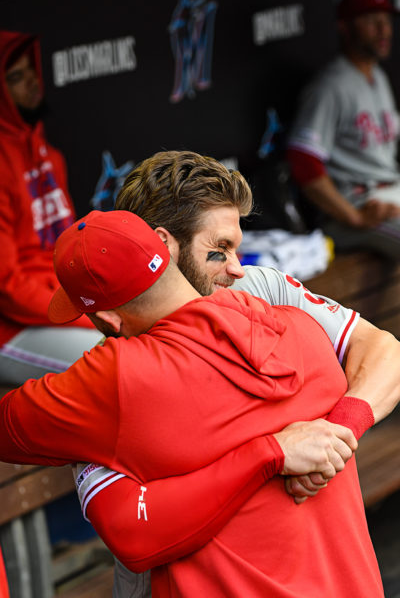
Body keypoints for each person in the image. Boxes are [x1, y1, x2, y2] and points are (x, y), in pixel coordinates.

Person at [0, 210, 392, 596]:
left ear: (106, 318)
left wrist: (270, 452)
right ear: (166, 253)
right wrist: (295, 445)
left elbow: (7, 430)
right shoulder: (300, 326)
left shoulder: (112, 379)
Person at [107, 149, 400, 596]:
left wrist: (336, 433)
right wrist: (274, 453)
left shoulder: (258, 286)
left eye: (235, 247)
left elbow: (384, 350)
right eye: (218, 250)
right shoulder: (115, 359)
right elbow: (132, 526)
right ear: (163, 248)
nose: (236, 267)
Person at [0, 30, 101, 385]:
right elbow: (7, 288)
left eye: (31, 71)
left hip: (61, 303)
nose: (31, 82)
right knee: (117, 364)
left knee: (158, 336)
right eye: (15, 77)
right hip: (11, 328)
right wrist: (89, 314)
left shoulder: (48, 153)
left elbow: (71, 243)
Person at [287, 0, 400, 257]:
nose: (384, 30)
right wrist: (354, 217)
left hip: (391, 191)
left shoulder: (378, 77)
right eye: (372, 21)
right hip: (357, 205)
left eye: (386, 20)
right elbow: (303, 161)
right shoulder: (330, 86)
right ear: (344, 27)